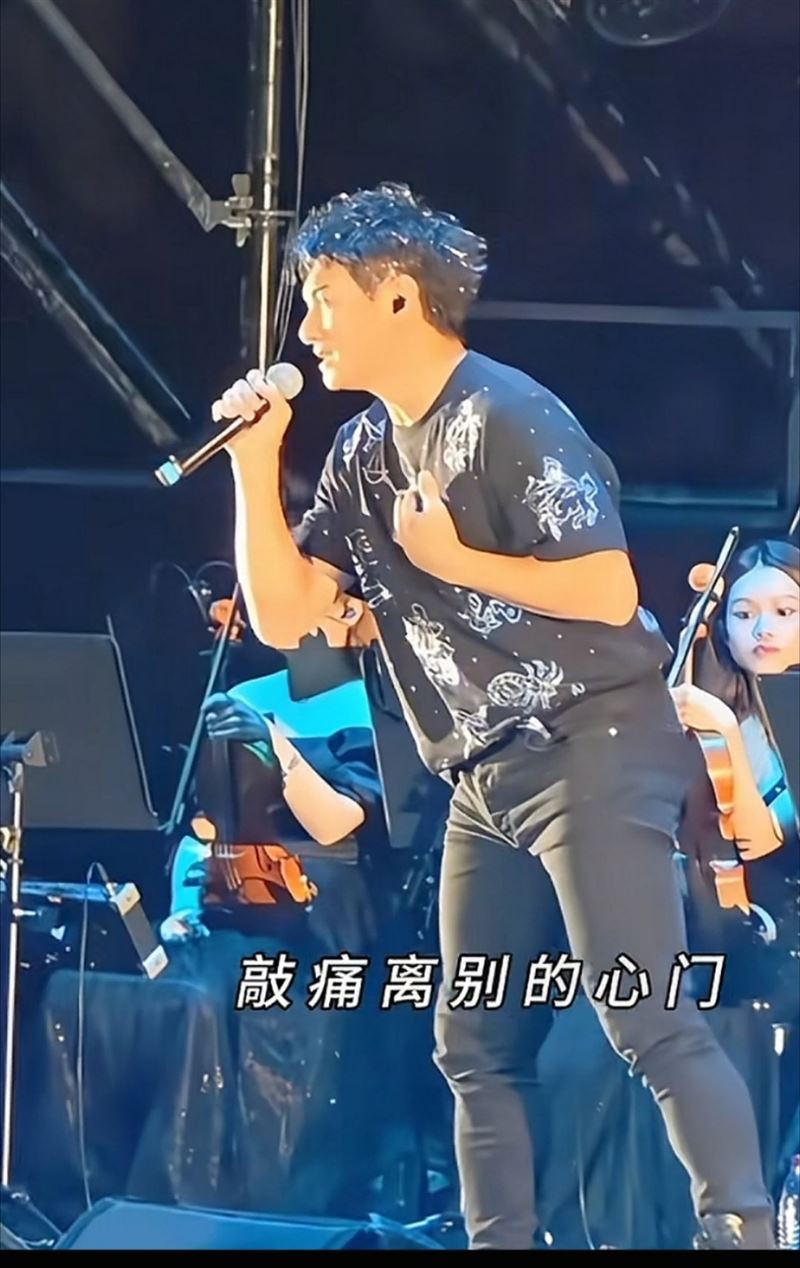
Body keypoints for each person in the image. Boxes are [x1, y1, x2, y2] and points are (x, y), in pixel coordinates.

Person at [210, 181, 776, 1249]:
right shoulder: (361, 453)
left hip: (593, 740)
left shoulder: (509, 415)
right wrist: (253, 465)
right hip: (485, 771)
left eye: (323, 298)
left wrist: (453, 559)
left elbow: (608, 589)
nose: (307, 327)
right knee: (473, 1041)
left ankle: (740, 1228)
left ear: (395, 296)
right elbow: (287, 617)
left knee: (643, 1013)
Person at [670, 539, 799, 1021]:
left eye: (785, 612)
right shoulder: (728, 705)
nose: (764, 629)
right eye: (743, 615)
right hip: (732, 929)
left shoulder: (731, 719)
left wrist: (723, 728)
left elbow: (764, 840)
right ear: (722, 626)